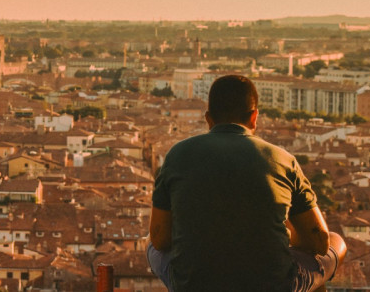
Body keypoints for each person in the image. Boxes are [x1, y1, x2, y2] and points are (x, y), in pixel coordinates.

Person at [148, 75, 346, 292]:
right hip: (274, 285)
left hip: (192, 285)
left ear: (208, 118)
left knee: (149, 242)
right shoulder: (282, 160)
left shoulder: (177, 155)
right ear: (254, 117)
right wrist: (288, 238)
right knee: (337, 243)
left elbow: (159, 238)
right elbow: (319, 240)